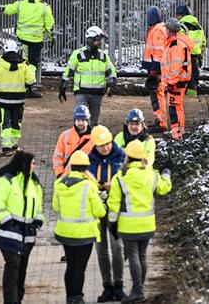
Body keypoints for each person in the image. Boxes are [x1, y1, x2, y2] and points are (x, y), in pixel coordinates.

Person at [107, 140, 172, 303]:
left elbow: (113, 204)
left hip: (129, 225)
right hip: (148, 223)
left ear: (127, 157)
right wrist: (166, 173)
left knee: (134, 255)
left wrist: (112, 224)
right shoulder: (151, 174)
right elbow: (164, 188)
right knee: (142, 256)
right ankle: (139, 290)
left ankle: (138, 291)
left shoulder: (120, 177)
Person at [0, 151, 44, 304]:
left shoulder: (35, 183)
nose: (35, 166)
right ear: (25, 164)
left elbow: (38, 207)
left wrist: (38, 221)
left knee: (21, 269)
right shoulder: (6, 180)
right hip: (8, 233)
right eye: (33, 163)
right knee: (13, 265)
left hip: (27, 235)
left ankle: (17, 299)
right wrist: (8, 223)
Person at [53, 151, 107, 304]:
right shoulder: (89, 185)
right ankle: (77, 297)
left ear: (71, 166)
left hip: (65, 232)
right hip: (84, 234)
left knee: (70, 266)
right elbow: (99, 211)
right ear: (86, 167)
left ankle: (70, 296)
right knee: (80, 267)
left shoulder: (59, 184)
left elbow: (55, 207)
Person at [87, 125, 127, 302]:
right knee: (101, 250)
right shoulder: (89, 160)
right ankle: (107, 286)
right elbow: (86, 184)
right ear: (95, 145)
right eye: (101, 145)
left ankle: (118, 285)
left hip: (115, 210)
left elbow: (130, 181)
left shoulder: (122, 157)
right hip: (97, 210)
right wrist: (103, 185)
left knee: (117, 248)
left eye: (108, 143)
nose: (106, 147)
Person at [0, 0, 55, 98]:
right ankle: (28, 87)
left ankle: (18, 85)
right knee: (32, 64)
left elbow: (9, 9)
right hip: (36, 41)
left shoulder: (21, 4)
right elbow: (50, 26)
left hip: (22, 39)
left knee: (22, 61)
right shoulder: (44, 7)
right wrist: (51, 38)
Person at [0, 40, 36, 154]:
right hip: (19, 101)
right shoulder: (24, 65)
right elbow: (31, 81)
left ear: (4, 49)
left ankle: (6, 147)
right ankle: (14, 145)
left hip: (2, 101)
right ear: (17, 50)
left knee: (5, 123)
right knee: (16, 123)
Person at [59, 26, 118, 127]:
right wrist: (63, 85)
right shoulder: (78, 54)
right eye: (98, 40)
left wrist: (112, 81)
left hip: (97, 93)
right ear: (90, 40)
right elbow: (68, 71)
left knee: (94, 122)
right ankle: (79, 140)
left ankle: (92, 141)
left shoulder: (103, 55)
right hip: (81, 92)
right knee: (81, 119)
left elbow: (111, 70)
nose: (100, 42)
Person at [161, 18, 194, 140]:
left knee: (175, 107)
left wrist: (170, 82)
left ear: (170, 30)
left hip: (176, 82)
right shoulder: (175, 42)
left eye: (166, 29)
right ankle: (178, 134)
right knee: (176, 107)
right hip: (176, 82)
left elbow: (176, 66)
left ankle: (178, 135)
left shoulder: (176, 45)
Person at [142, 6, 169, 132]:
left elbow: (159, 50)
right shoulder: (158, 28)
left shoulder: (157, 29)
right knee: (157, 94)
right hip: (157, 67)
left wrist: (154, 69)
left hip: (157, 68)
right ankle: (159, 120)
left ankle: (161, 123)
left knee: (158, 94)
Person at [52, 105, 95, 178]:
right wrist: (59, 174)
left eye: (83, 120)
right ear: (74, 120)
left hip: (86, 179)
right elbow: (57, 157)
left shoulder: (94, 138)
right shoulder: (64, 136)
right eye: (78, 120)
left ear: (87, 121)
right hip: (67, 178)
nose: (80, 123)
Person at [176, 5, 207, 97]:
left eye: (177, 15)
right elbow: (204, 43)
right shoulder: (199, 27)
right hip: (196, 56)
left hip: (185, 56)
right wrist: (201, 54)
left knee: (186, 78)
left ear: (182, 15)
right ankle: (193, 95)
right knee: (194, 76)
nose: (176, 17)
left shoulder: (182, 26)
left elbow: (179, 42)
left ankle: (189, 98)